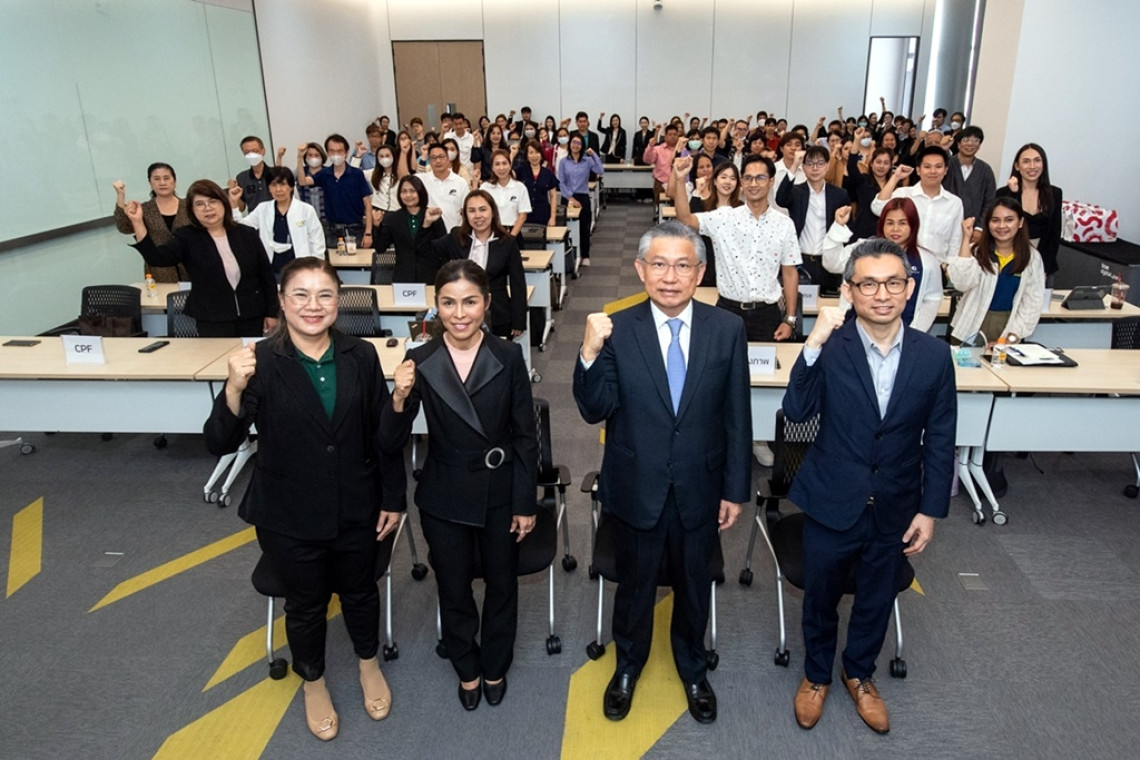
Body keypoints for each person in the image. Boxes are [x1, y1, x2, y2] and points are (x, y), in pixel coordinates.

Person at [204, 257, 414, 741]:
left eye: (325, 295)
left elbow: (381, 437)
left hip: (357, 504)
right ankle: (313, 681)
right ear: (281, 301)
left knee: (360, 592)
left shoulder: (360, 355)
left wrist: (393, 496)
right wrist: (233, 387)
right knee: (304, 604)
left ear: (339, 302)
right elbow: (219, 440)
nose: (313, 305)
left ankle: (367, 664)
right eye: (300, 294)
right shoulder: (258, 362)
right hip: (288, 512)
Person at [573, 221, 751, 725]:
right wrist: (587, 353)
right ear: (640, 269)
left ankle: (693, 668)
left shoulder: (727, 329)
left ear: (700, 272)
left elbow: (737, 416)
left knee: (695, 584)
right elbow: (594, 409)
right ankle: (627, 666)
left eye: (682, 266)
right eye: (658, 264)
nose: (670, 277)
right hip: (636, 486)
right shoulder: (616, 328)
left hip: (701, 485)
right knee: (635, 586)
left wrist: (735, 488)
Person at [784, 238, 956, 736]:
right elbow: (796, 412)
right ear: (849, 290)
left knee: (877, 596)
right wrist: (812, 343)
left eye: (893, 283)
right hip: (832, 496)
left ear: (910, 289)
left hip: (896, 502)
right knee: (820, 596)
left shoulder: (933, 355)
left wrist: (930, 509)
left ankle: (859, 672)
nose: (882, 294)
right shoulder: (831, 347)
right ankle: (817, 675)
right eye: (869, 284)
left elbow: (940, 437)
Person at [400, 259, 536, 712]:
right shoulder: (420, 359)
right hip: (445, 491)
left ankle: (495, 663)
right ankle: (466, 667)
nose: (459, 314)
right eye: (448, 303)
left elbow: (525, 435)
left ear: (487, 303)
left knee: (502, 583)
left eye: (470, 302)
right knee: (453, 586)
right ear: (435, 305)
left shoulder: (508, 355)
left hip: (500, 489)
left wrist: (525, 502)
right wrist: (398, 397)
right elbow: (389, 438)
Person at [672, 154, 799, 466]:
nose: (753, 183)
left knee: (762, 377)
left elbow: (789, 272)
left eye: (760, 178)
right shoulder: (724, 217)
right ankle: (720, 437)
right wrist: (679, 178)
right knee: (718, 377)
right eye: (748, 178)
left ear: (771, 182)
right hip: (728, 312)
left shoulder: (784, 224)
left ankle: (757, 437)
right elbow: (685, 218)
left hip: (767, 313)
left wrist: (790, 318)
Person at [125, 179, 278, 337]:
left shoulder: (246, 234)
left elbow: (266, 276)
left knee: (251, 352)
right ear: (192, 210)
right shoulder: (187, 237)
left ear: (223, 203)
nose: (208, 208)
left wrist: (272, 312)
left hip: (252, 315)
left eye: (213, 201)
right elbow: (157, 258)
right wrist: (138, 223)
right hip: (212, 318)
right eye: (199, 204)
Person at [822, 198, 943, 332]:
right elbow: (832, 263)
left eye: (902, 223)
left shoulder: (927, 261)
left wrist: (915, 332)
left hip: (906, 334)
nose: (895, 229)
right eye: (890, 223)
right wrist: (838, 226)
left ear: (913, 225)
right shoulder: (863, 249)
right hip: (857, 331)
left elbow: (932, 299)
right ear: (882, 225)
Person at [947, 198, 1045, 344]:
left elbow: (1032, 303)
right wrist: (966, 239)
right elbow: (962, 284)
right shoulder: (976, 251)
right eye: (995, 220)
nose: (1001, 226)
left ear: (1020, 222)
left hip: (1008, 327)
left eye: (1009, 220)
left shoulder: (1032, 258)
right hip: (968, 326)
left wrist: (1011, 337)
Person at [432, 190, 527, 338]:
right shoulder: (456, 237)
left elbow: (518, 283)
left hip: (498, 314)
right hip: (460, 314)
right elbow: (429, 251)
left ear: (493, 212)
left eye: (483, 209)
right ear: (465, 215)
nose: (478, 216)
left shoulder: (507, 242)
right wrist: (428, 224)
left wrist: (519, 321)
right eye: (472, 211)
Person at [777, 145, 852, 295]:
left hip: (829, 263)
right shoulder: (796, 192)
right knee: (799, 304)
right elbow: (780, 199)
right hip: (801, 262)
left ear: (827, 166)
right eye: (810, 163)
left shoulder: (840, 195)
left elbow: (846, 229)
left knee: (828, 305)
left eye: (820, 163)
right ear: (804, 168)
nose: (815, 168)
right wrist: (794, 165)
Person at [871, 146, 964, 263]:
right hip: (901, 263)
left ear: (945, 170)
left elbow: (955, 242)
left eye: (938, 167)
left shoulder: (954, 203)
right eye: (927, 167)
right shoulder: (904, 194)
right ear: (918, 170)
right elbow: (877, 208)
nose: (933, 171)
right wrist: (896, 177)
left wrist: (948, 267)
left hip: (937, 266)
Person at [232, 167, 325, 276]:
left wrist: (316, 268)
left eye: (283, 185)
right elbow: (241, 227)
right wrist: (234, 203)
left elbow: (317, 241)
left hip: (301, 268)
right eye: (273, 185)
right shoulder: (263, 209)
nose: (278, 190)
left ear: (291, 187)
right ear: (269, 188)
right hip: (272, 268)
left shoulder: (306, 210)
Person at [994, 143, 1062, 285]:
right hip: (1011, 261)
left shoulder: (1055, 193)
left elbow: (1054, 234)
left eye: (1037, 160)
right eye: (1026, 161)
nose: (1032, 166)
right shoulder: (1004, 193)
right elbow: (1003, 227)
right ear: (1017, 166)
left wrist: (1042, 268)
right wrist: (1013, 194)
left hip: (1044, 261)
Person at [112, 162, 191, 282]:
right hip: (159, 271)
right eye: (157, 179)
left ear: (175, 181)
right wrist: (120, 196)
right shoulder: (144, 209)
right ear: (150, 183)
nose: (162, 183)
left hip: (191, 267)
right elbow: (124, 227)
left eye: (166, 178)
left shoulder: (189, 206)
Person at [296, 134, 374, 250]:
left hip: (356, 228)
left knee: (358, 259)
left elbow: (367, 204)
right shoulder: (325, 174)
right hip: (332, 230)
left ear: (346, 152)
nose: (336, 155)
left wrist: (368, 233)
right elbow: (302, 181)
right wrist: (299, 157)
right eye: (332, 151)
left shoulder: (356, 174)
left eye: (339, 151)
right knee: (333, 260)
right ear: (327, 153)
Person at [375, 175, 448, 284]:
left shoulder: (433, 215)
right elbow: (380, 248)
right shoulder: (393, 218)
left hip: (430, 276)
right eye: (404, 191)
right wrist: (377, 226)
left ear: (420, 192)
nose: (408, 195)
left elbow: (444, 249)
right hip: (403, 277)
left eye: (412, 191)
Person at [558, 134, 604, 266]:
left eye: (579, 143)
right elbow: (561, 182)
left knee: (584, 227)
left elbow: (600, 170)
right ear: (569, 144)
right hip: (567, 197)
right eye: (573, 142)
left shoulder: (587, 161)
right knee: (566, 228)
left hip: (582, 196)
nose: (576, 145)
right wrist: (571, 198)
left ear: (582, 145)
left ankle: (585, 255)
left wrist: (593, 154)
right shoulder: (563, 162)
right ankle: (568, 255)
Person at [942, 126, 996, 222]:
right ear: (958, 144)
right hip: (944, 221)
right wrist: (942, 149)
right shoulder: (946, 165)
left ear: (979, 146)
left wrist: (979, 226)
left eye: (976, 141)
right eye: (966, 140)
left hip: (973, 225)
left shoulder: (985, 170)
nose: (970, 144)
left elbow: (989, 201)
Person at [480, 150, 531, 238]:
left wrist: (510, 238)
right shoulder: (485, 187)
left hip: (513, 233)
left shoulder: (520, 187)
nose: (501, 168)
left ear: (510, 165)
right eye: (497, 164)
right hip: (490, 234)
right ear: (492, 167)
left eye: (504, 163)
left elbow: (523, 216)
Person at [420, 143, 471, 232]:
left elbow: (466, 211)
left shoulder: (460, 182)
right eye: (434, 158)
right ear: (429, 161)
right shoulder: (422, 180)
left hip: (454, 234)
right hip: (430, 234)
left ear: (448, 159)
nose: (438, 161)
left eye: (441, 157)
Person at [518, 140, 559, 228]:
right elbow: (507, 174)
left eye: (537, 152)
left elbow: (553, 196)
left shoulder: (548, 173)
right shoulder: (521, 171)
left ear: (541, 154)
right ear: (526, 155)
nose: (534, 156)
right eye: (531, 153)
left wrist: (553, 217)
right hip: (523, 216)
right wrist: (512, 155)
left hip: (543, 215)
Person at [233, 135, 273, 213]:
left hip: (275, 216)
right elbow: (241, 208)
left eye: (255, 151)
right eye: (247, 152)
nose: (251, 155)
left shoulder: (275, 174)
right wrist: (235, 196)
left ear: (263, 151)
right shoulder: (242, 177)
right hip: (253, 218)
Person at [367, 144, 400, 227]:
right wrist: (358, 156)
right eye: (381, 156)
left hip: (396, 214)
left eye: (387, 155)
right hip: (377, 215)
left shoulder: (401, 174)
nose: (384, 158)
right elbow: (354, 174)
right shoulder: (372, 173)